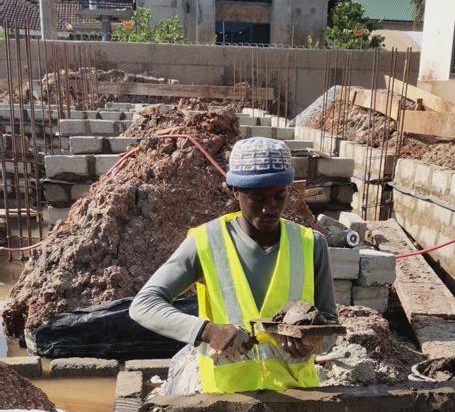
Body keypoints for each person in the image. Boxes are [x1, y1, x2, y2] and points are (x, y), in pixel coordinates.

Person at [129, 136, 336, 394]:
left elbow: (330, 328)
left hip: (297, 400)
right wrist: (207, 331)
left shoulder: (310, 244)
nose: (269, 208)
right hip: (225, 404)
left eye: (279, 196)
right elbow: (144, 305)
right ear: (234, 191)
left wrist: (312, 340)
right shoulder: (206, 243)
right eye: (257, 198)